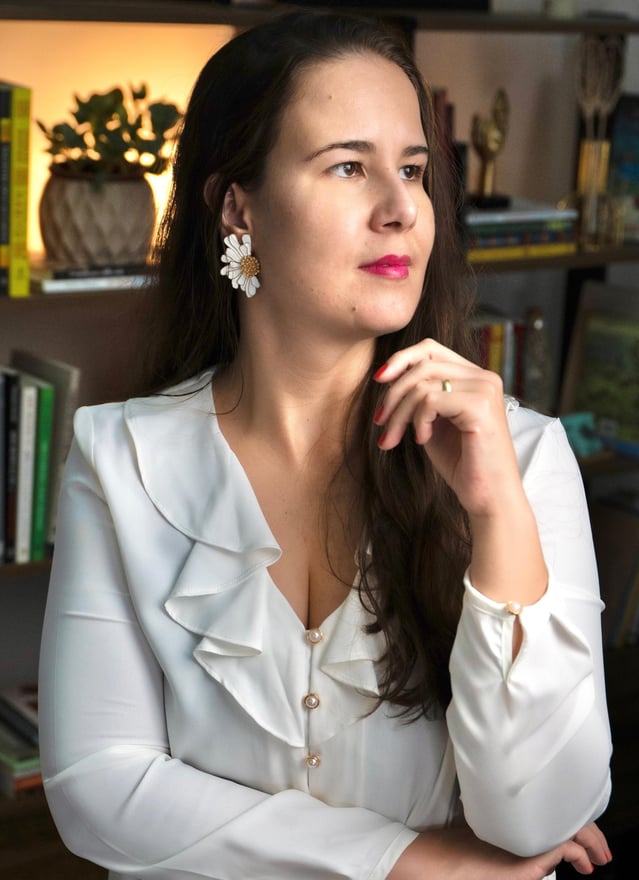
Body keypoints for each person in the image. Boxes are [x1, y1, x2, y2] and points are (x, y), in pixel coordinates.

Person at [39, 11, 613, 880]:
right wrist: (412, 861)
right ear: (238, 207)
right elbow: (99, 790)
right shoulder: (119, 457)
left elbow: (541, 814)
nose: (401, 211)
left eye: (414, 170)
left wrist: (496, 516)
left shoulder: (522, 459)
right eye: (348, 166)